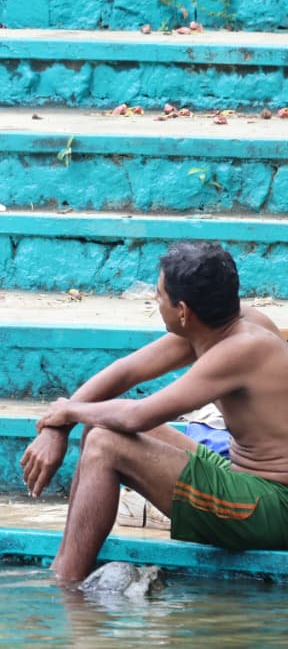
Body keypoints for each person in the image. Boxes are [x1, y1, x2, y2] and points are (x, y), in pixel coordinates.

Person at [21, 242, 288, 584]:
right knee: (100, 428)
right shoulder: (219, 324)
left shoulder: (242, 348)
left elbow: (138, 416)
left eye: (159, 295)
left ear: (183, 311)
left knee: (105, 443)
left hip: (273, 505)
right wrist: (57, 429)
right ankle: (66, 570)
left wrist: (67, 410)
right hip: (247, 481)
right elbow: (126, 372)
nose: (155, 300)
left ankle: (64, 585)